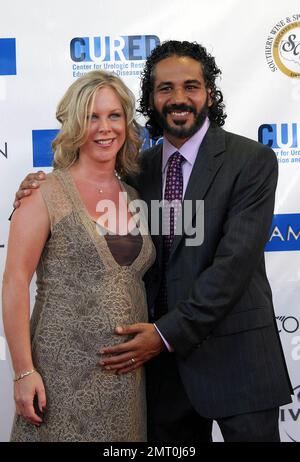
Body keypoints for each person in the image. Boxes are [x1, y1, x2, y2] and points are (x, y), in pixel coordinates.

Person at [13, 40, 292, 442]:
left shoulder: (251, 162)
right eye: (165, 89)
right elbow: (81, 196)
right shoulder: (136, 171)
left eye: (191, 86)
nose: (179, 98)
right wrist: (36, 188)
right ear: (151, 100)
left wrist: (162, 336)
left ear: (209, 94)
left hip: (238, 365)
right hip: (160, 377)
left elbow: (232, 268)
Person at [2, 70, 156, 442]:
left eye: (114, 115)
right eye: (92, 116)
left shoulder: (135, 196)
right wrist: (24, 372)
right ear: (74, 124)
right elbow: (14, 282)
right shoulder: (45, 191)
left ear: (126, 122)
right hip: (58, 377)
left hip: (125, 379)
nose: (105, 128)